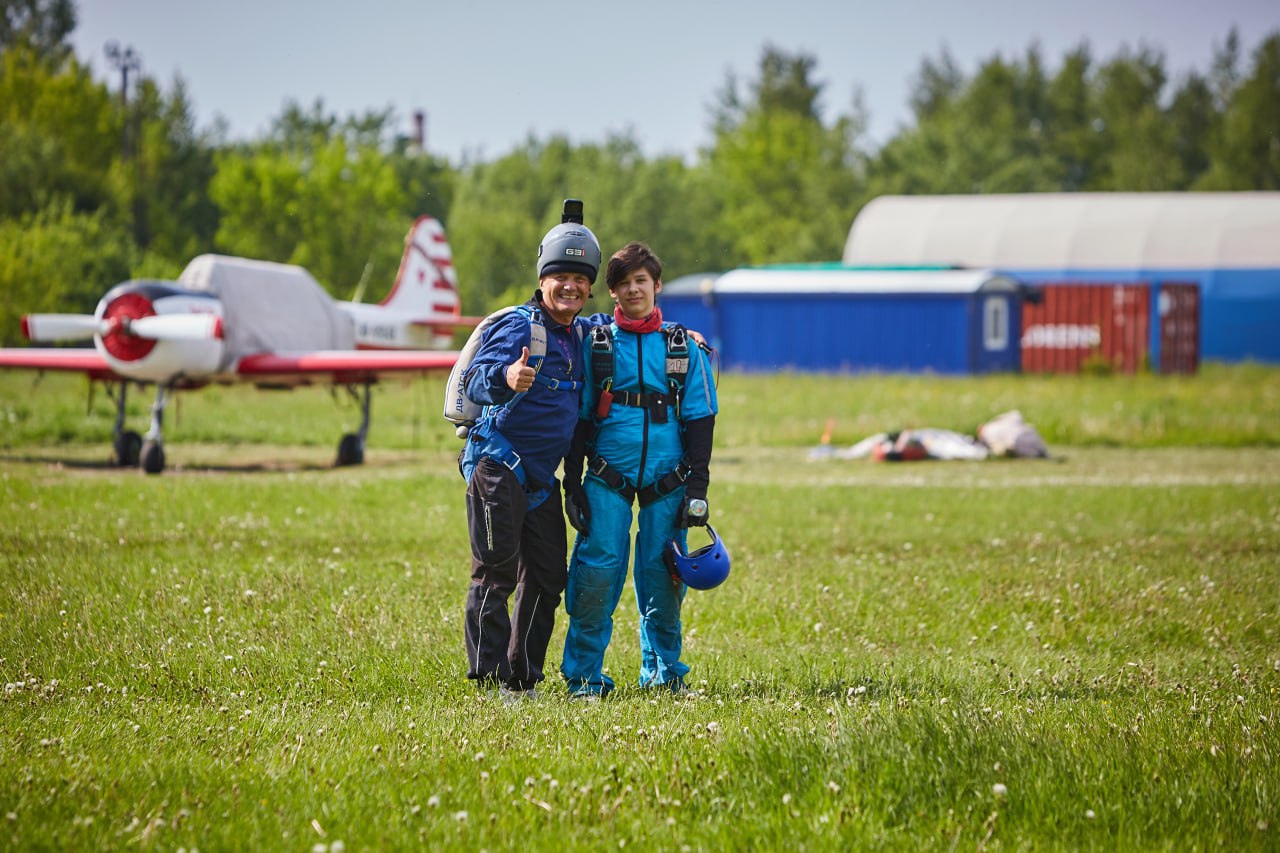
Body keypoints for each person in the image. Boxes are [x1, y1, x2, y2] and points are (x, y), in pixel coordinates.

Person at [560, 242, 718, 699]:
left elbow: (701, 419)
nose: (634, 289)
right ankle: (585, 679)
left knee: (663, 576)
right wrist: (572, 484)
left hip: (669, 481)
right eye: (624, 283)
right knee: (595, 573)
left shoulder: (685, 347)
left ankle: (664, 675)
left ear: (657, 285)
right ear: (611, 292)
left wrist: (698, 488)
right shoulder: (596, 346)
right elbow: (580, 418)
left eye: (641, 281)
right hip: (607, 477)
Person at [458, 206, 604, 702]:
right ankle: (490, 678)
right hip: (498, 465)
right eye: (560, 277)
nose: (570, 287)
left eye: (580, 280)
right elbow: (477, 378)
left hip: (541, 480)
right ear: (543, 280)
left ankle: (522, 680)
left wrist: (684, 337)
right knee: (497, 568)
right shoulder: (520, 327)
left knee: (546, 577)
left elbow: (631, 323)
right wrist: (505, 377)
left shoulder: (581, 335)